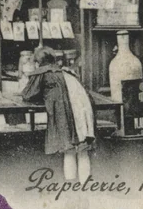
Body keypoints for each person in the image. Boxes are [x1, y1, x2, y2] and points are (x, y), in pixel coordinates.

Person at [21, 46, 95, 183]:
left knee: (69, 150)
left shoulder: (43, 73)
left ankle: (71, 186)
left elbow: (27, 94)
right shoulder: (67, 72)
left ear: (38, 63)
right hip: (83, 113)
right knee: (82, 150)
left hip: (65, 114)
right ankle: (86, 187)